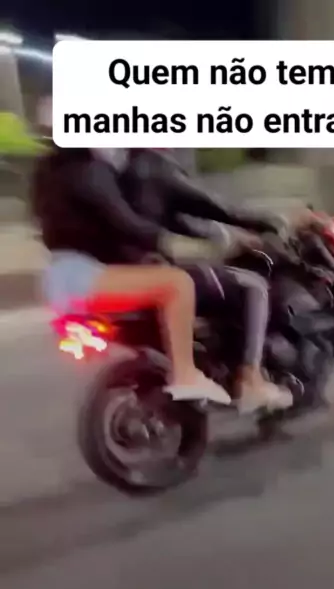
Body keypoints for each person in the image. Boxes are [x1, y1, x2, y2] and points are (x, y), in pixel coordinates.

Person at [120, 149, 319, 413]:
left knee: (220, 282)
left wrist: (226, 238)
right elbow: (212, 205)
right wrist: (269, 221)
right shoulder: (155, 168)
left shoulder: (128, 172)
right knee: (253, 286)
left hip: (126, 274)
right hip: (158, 271)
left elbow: (176, 220)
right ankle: (251, 380)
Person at [31, 144, 231, 406]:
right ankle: (185, 374)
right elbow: (125, 221)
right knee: (177, 283)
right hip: (82, 276)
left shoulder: (51, 172)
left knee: (157, 283)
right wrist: (171, 242)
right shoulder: (91, 171)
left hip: (59, 276)